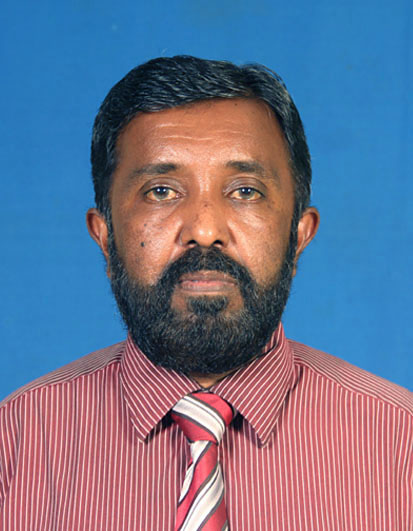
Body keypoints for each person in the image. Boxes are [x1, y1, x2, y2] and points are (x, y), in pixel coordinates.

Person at [0, 56, 411, 531]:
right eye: (161, 191)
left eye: (245, 191)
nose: (204, 229)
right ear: (105, 236)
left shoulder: (401, 444)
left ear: (299, 234)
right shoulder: (15, 443)